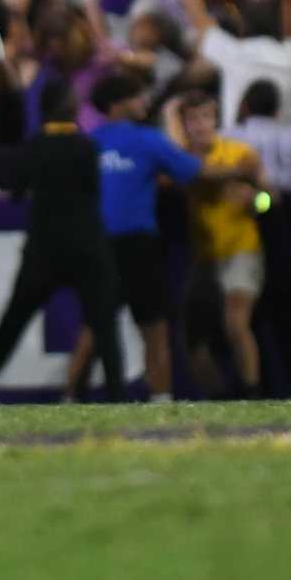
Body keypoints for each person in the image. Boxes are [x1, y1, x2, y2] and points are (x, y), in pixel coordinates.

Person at [0, 79, 124, 404]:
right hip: (87, 245)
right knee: (104, 323)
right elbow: (92, 191)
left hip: (45, 248)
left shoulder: (34, 147)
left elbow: (16, 190)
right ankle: (117, 394)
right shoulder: (86, 146)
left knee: (13, 322)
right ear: (69, 107)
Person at [81, 69, 207, 403]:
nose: (144, 101)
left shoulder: (89, 142)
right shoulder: (146, 139)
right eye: (138, 95)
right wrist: (243, 170)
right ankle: (161, 397)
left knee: (95, 326)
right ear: (119, 104)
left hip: (99, 243)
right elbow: (193, 171)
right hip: (138, 244)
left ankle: (69, 395)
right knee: (154, 327)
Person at [168, 89, 269, 394]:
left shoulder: (240, 153)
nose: (200, 126)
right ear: (184, 125)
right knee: (191, 338)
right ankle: (220, 398)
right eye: (192, 120)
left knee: (236, 322)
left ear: (215, 120)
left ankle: (252, 394)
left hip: (242, 249)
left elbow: (269, 197)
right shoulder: (182, 158)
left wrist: (256, 202)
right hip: (205, 257)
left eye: (206, 118)